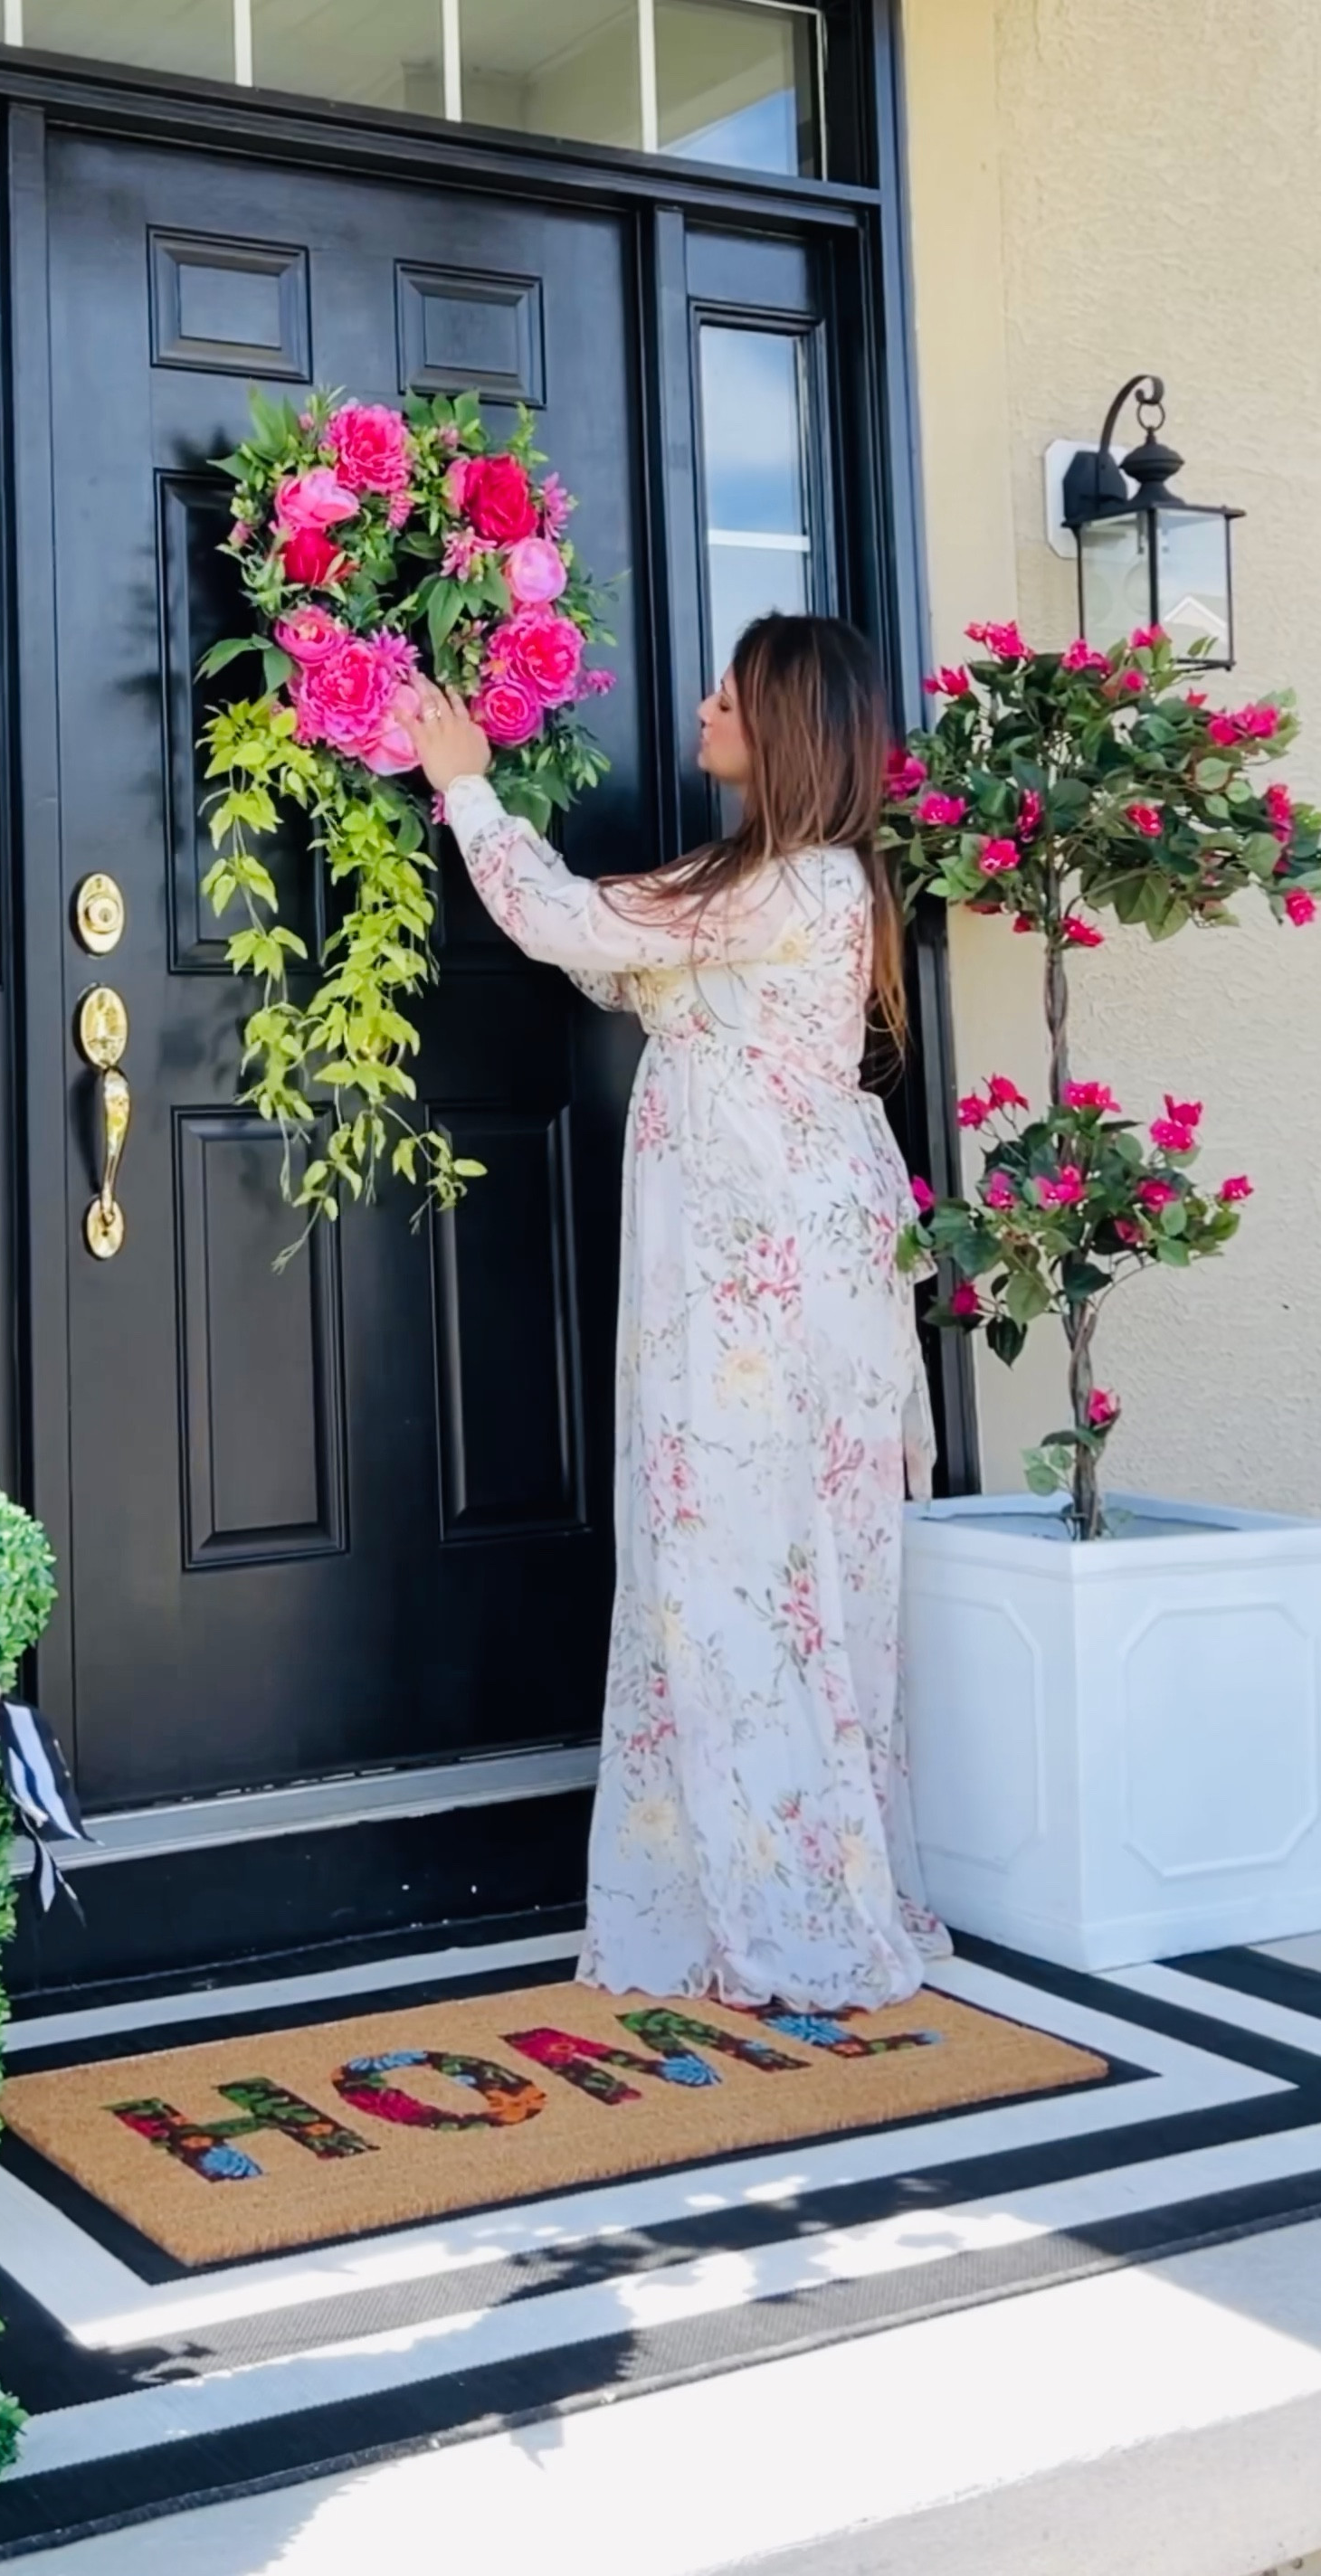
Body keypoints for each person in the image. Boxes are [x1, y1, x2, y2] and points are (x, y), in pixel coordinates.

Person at [394, 612, 946, 2015]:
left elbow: (570, 923)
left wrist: (466, 785)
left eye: (730, 696)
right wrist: (491, 810)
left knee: (748, 1563)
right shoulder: (751, 883)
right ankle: (734, 1888)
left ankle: (793, 1907)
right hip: (750, 1254)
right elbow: (607, 952)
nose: (702, 707)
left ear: (787, 730)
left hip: (768, 1271)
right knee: (742, 1558)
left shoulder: (797, 884)